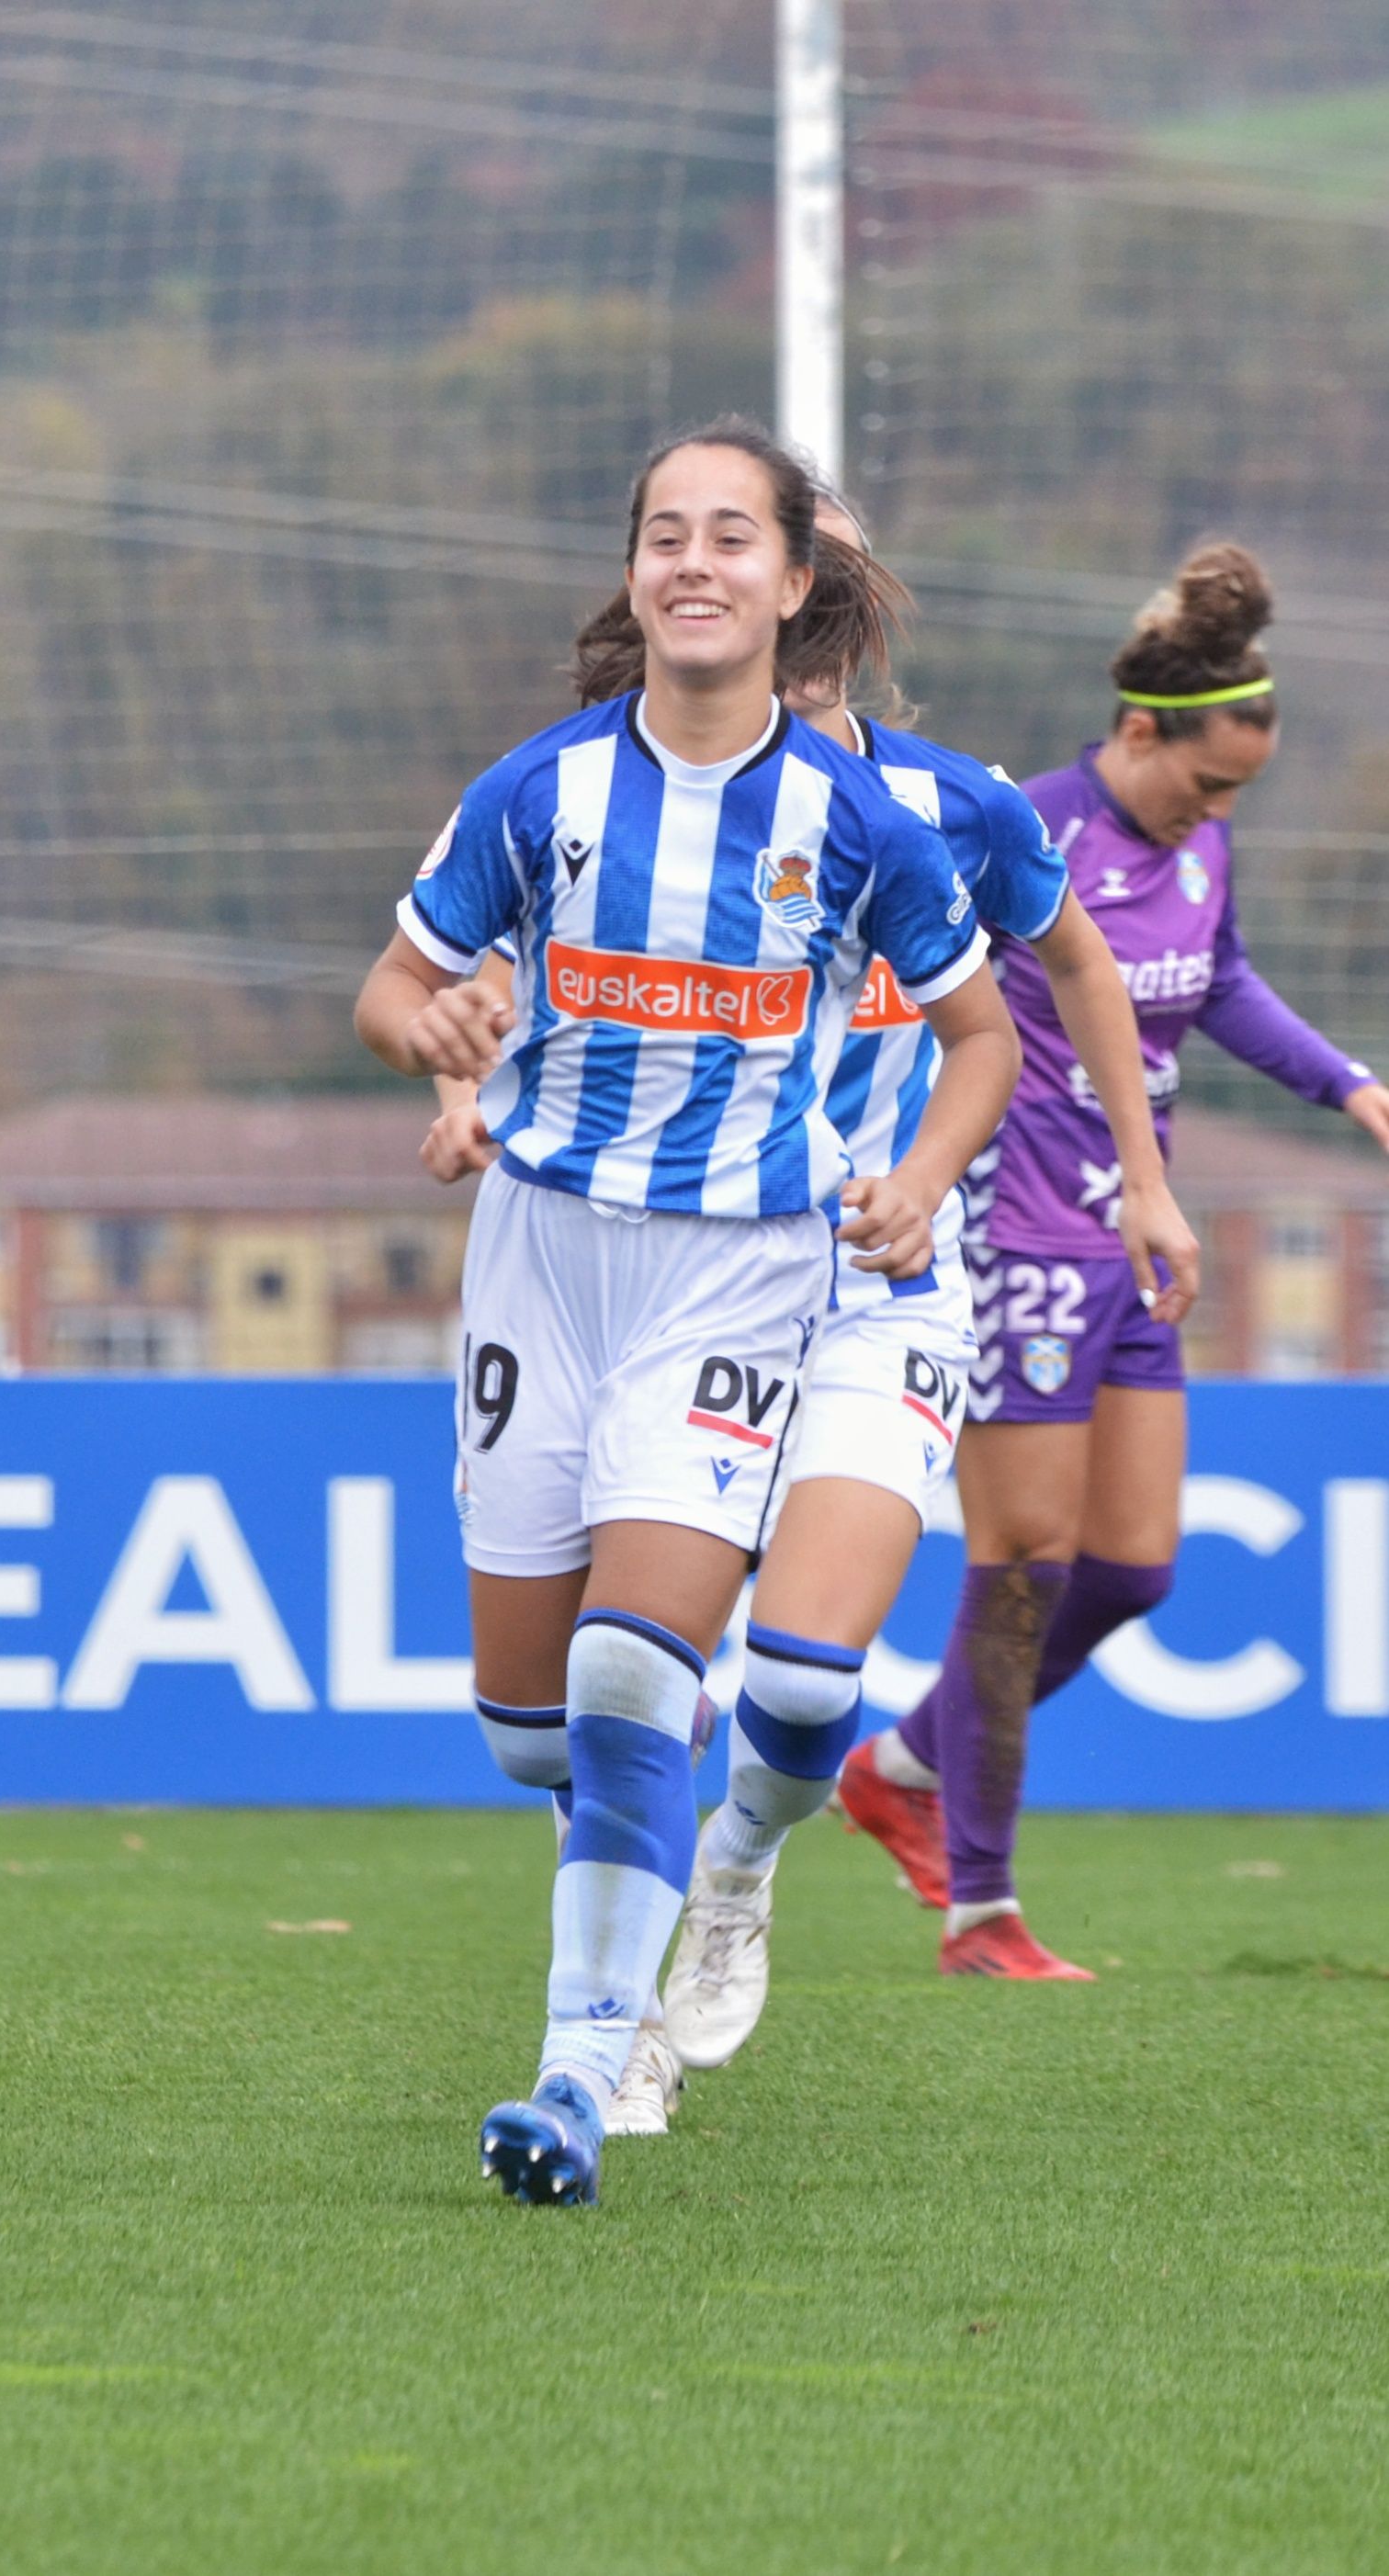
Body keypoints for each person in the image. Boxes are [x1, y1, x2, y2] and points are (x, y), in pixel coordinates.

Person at [436, 508, 1201, 2090]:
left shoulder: (947, 809)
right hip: (690, 1263)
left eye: (799, 559)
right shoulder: (621, 797)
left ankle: (734, 1873)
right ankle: (619, 2022)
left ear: (825, 601)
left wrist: (1141, 1174)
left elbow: (1073, 969)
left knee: (793, 1682)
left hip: (876, 1281)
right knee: (594, 1693)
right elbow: (535, 987)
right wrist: (467, 1089)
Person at [356, 417, 1014, 2210]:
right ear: (633, 572)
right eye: (665, 534)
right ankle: (651, 1835)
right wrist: (425, 1033)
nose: (694, 562)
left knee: (635, 1668)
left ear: (792, 585)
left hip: (741, 1268)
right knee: (530, 1727)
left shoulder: (858, 822)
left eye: (732, 536)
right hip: (539, 1260)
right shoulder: (538, 792)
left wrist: (921, 1176)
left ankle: (578, 2072)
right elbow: (395, 981)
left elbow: (982, 1036)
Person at [832, 542, 1389, 1972]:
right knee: (1022, 1562)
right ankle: (983, 1907)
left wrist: (1348, 1085)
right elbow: (900, 976)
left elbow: (1222, 983)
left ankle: (901, 1767)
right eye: (1205, 784)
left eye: (1237, 797)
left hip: (1134, 1230)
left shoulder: (1199, 846)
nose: (1216, 815)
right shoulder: (1024, 831)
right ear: (1138, 731)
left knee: (1132, 1571)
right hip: (1012, 1233)